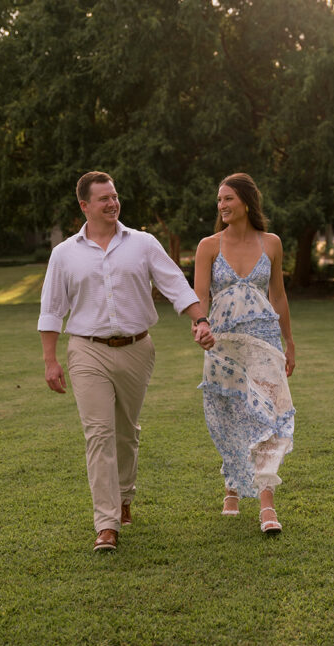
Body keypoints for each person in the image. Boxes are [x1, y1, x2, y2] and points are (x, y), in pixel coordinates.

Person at [38, 171, 214, 553]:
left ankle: (125, 493)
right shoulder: (64, 254)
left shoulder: (143, 243)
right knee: (98, 433)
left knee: (125, 431)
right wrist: (51, 360)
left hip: (137, 348)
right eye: (103, 199)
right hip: (87, 350)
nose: (112, 203)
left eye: (114, 196)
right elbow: (51, 309)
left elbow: (175, 285)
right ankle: (107, 523)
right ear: (84, 206)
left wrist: (200, 320)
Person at [194, 173, 295, 535]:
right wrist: (200, 325)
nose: (221, 206)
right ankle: (232, 484)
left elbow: (279, 296)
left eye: (228, 199)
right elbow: (200, 298)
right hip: (224, 344)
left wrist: (289, 342)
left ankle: (267, 504)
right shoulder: (208, 246)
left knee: (268, 416)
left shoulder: (271, 243)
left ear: (247, 203)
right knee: (232, 413)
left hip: (265, 342)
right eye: (219, 200)